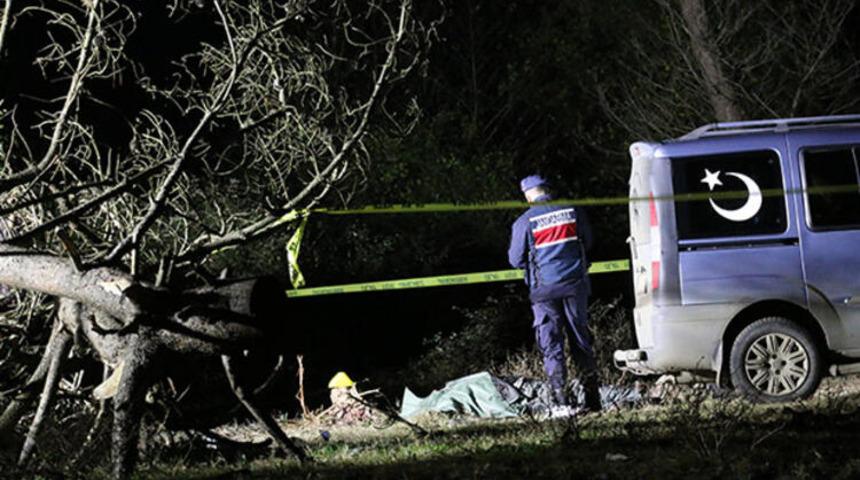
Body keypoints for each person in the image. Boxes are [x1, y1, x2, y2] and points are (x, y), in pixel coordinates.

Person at [508, 174, 601, 412]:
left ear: (528, 196)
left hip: (544, 291)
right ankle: (593, 400)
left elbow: (515, 259)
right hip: (575, 285)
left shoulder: (524, 221)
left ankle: (562, 402)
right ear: (547, 189)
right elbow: (589, 242)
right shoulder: (573, 210)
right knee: (581, 340)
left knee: (552, 344)